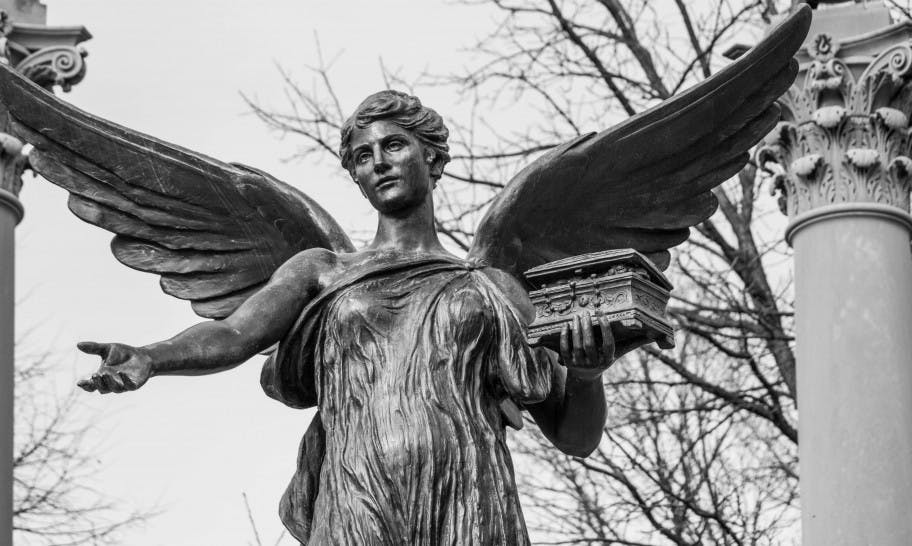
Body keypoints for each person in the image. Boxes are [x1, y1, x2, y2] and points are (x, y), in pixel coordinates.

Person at [76, 90, 625, 545]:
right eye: (362, 156)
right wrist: (152, 356)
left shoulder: (491, 286)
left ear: (431, 159)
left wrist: (587, 373)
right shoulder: (322, 271)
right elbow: (234, 334)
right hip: (355, 491)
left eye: (393, 145)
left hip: (468, 497)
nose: (378, 161)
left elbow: (574, 436)